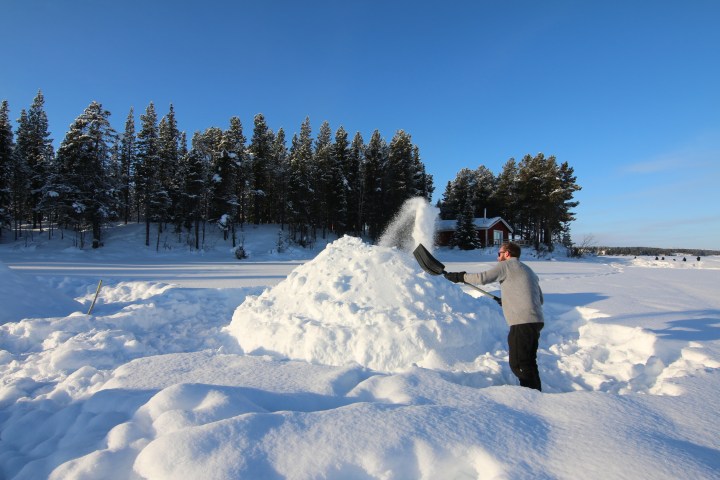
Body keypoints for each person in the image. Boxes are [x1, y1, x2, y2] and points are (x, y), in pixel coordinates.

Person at [444, 241, 545, 391]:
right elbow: (539, 299)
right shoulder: (528, 270)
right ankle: (535, 392)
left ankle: (532, 395)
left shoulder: (507, 265)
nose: (498, 258)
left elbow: (482, 278)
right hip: (535, 321)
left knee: (519, 363)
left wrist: (460, 276)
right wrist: (508, 301)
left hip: (522, 323)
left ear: (507, 254)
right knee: (527, 361)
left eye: (499, 254)